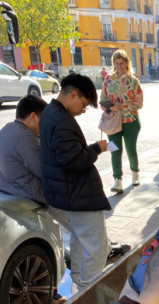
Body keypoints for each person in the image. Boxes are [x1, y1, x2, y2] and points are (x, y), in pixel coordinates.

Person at [39, 74, 129, 292]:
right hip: (78, 194)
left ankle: (79, 284)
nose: (83, 110)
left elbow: (66, 154)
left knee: (80, 240)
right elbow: (73, 160)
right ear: (72, 95)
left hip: (65, 192)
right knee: (96, 247)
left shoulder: (50, 113)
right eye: (84, 104)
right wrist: (97, 148)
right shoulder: (62, 121)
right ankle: (88, 291)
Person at [101, 49, 144, 193]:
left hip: (130, 121)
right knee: (114, 150)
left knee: (131, 149)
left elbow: (139, 102)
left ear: (127, 63)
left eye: (121, 63)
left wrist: (123, 106)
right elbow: (102, 98)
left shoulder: (133, 81)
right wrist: (107, 106)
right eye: (116, 63)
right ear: (113, 64)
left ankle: (135, 174)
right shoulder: (108, 79)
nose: (119, 66)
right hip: (113, 121)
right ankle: (117, 181)